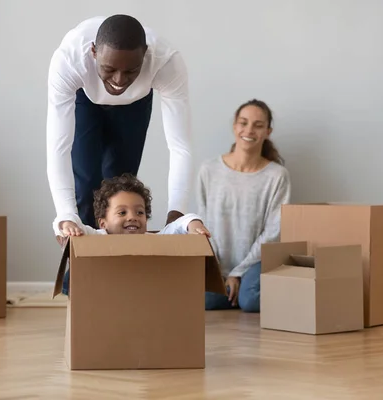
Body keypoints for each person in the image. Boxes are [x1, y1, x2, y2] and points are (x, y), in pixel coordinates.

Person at [46, 15, 193, 241]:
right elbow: (58, 148)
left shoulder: (166, 61)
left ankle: (117, 270)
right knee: (85, 188)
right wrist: (65, 215)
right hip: (85, 98)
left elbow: (180, 146)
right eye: (109, 68)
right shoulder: (69, 59)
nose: (118, 79)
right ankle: (77, 273)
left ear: (145, 54)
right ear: (93, 52)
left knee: (120, 193)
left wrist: (177, 214)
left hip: (135, 103)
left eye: (130, 70)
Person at [197, 99, 292, 313]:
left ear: (268, 131)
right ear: (234, 126)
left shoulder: (277, 176)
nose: (249, 130)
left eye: (258, 125)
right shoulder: (208, 170)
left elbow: (274, 232)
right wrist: (217, 269)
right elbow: (202, 224)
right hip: (217, 260)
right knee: (205, 300)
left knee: (250, 301)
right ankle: (232, 293)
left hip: (256, 261)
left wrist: (238, 272)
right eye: (243, 123)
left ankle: (241, 290)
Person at [56, 174, 211, 295]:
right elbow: (70, 221)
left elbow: (178, 225)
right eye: (122, 212)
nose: (132, 217)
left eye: (140, 212)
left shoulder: (155, 240)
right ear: (103, 223)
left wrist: (194, 224)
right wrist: (68, 225)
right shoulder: (97, 237)